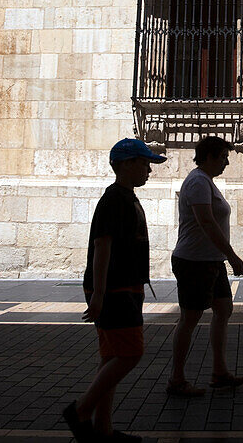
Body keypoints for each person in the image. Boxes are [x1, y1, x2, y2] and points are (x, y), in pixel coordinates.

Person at [64, 138, 166, 443]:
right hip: (114, 289)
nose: (148, 170)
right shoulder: (114, 200)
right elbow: (102, 246)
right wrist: (98, 294)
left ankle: (103, 429)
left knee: (111, 357)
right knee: (130, 353)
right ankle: (81, 410)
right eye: (144, 163)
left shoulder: (125, 197)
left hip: (124, 287)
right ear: (125, 165)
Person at [167, 135, 243, 397]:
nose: (226, 163)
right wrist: (232, 256)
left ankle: (219, 372)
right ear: (210, 157)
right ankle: (177, 379)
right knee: (190, 318)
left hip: (210, 260)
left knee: (223, 309)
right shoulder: (198, 182)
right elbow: (207, 222)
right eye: (223, 157)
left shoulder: (206, 182)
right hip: (194, 261)